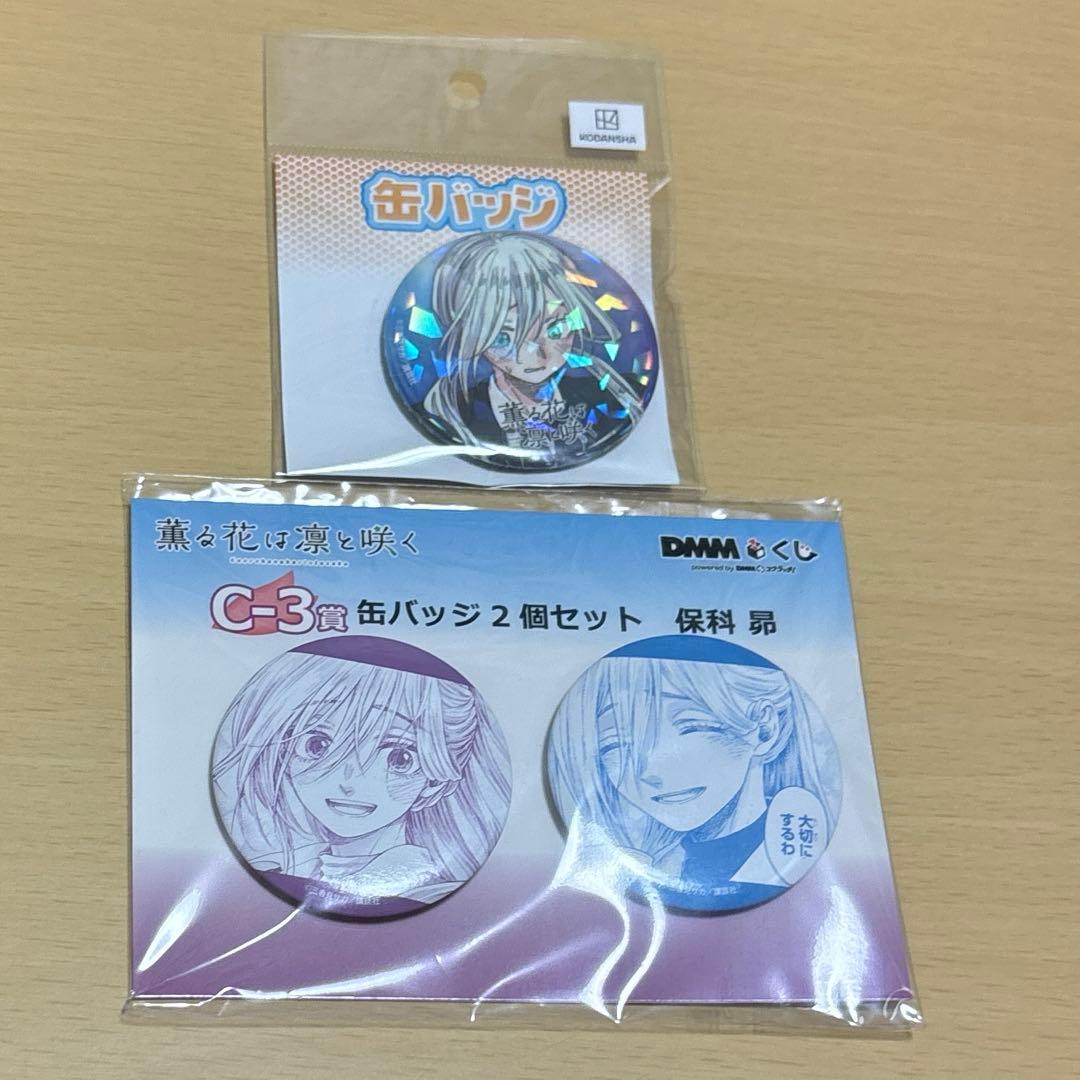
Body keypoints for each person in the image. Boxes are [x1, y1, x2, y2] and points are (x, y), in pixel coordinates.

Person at [212, 636, 511, 911]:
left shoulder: (426, 892)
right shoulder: (282, 869)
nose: (349, 782)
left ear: (434, 782)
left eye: (400, 758)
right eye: (317, 745)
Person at [547, 639, 840, 910]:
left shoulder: (792, 850)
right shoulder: (639, 865)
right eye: (617, 744)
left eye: (690, 727)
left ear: (764, 728)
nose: (650, 772)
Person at [422, 232, 643, 460]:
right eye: (502, 338)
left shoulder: (610, 389)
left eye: (555, 329)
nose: (537, 355)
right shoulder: (449, 408)